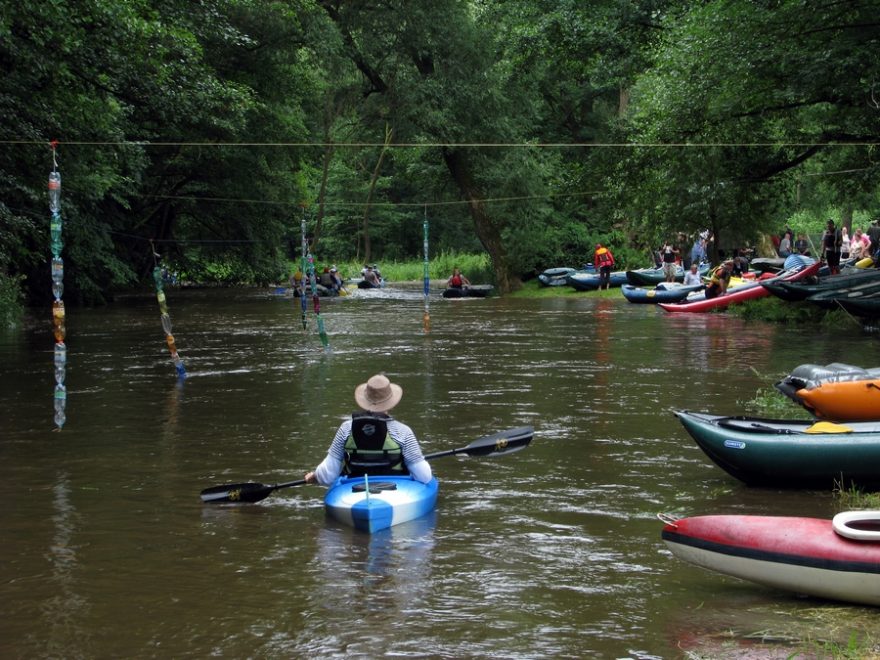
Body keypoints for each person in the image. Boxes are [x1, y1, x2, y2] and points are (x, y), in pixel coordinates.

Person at [304, 374, 432, 486]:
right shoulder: (403, 432)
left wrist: (316, 476)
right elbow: (424, 476)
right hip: (395, 487)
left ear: (364, 400)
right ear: (391, 402)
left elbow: (328, 476)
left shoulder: (346, 429)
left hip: (352, 486)